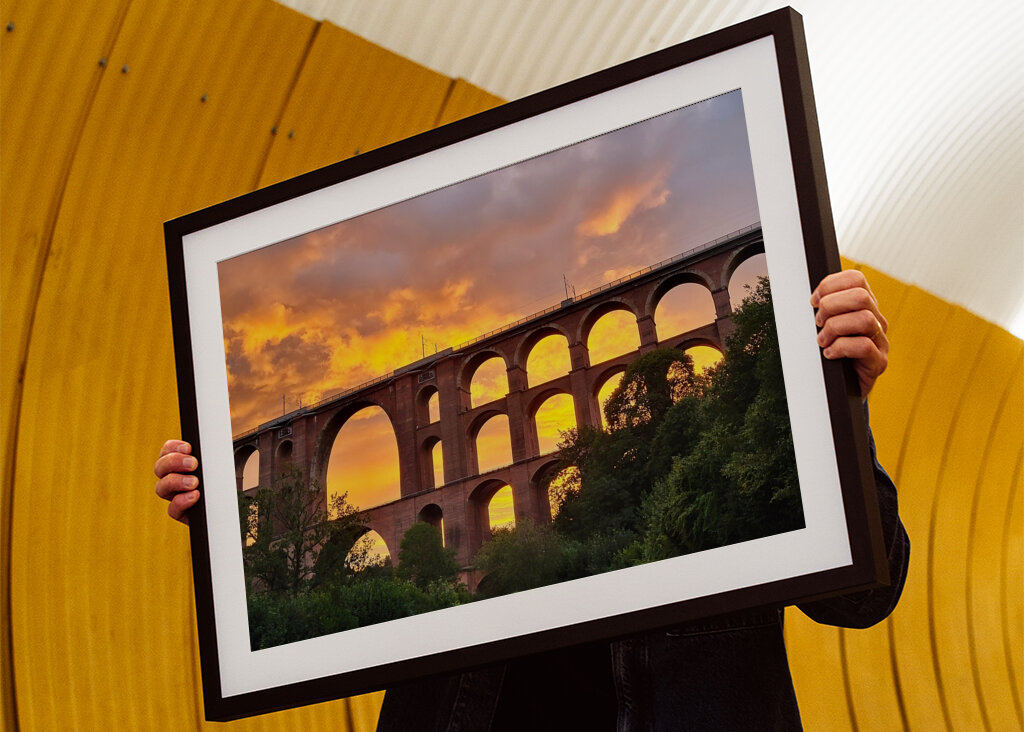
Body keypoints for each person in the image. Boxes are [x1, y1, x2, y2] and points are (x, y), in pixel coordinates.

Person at [154, 270, 908, 731]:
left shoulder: (721, 449)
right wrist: (232, 532)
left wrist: (829, 404)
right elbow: (291, 607)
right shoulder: (452, 558)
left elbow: (865, 595)